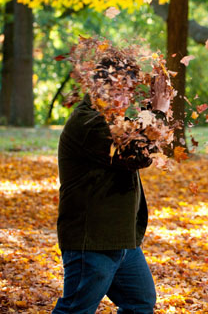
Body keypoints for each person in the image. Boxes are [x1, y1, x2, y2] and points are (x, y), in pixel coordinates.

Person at [53, 56, 170, 313]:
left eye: (130, 91)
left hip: (121, 240)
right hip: (93, 240)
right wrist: (158, 111)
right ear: (100, 88)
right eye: (121, 91)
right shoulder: (89, 123)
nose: (127, 99)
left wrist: (152, 112)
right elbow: (138, 154)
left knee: (139, 303)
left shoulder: (111, 122)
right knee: (76, 309)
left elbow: (139, 144)